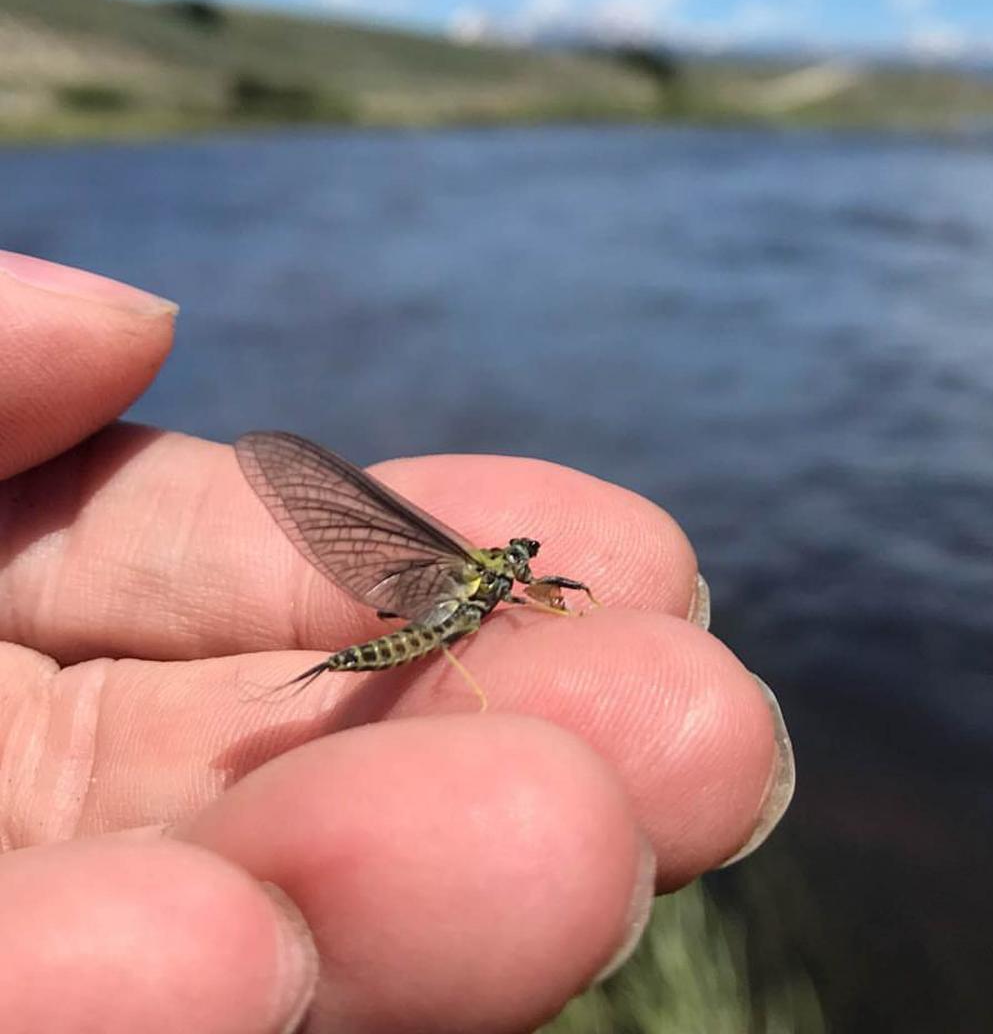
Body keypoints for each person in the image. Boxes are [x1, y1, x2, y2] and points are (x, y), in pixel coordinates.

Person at [0, 250, 793, 1034]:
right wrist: (496, 666)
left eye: (522, 567)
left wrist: (561, 607)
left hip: (419, 628)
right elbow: (495, 613)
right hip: (414, 638)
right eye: (520, 564)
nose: (521, 571)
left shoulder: (497, 582)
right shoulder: (487, 578)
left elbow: (533, 603)